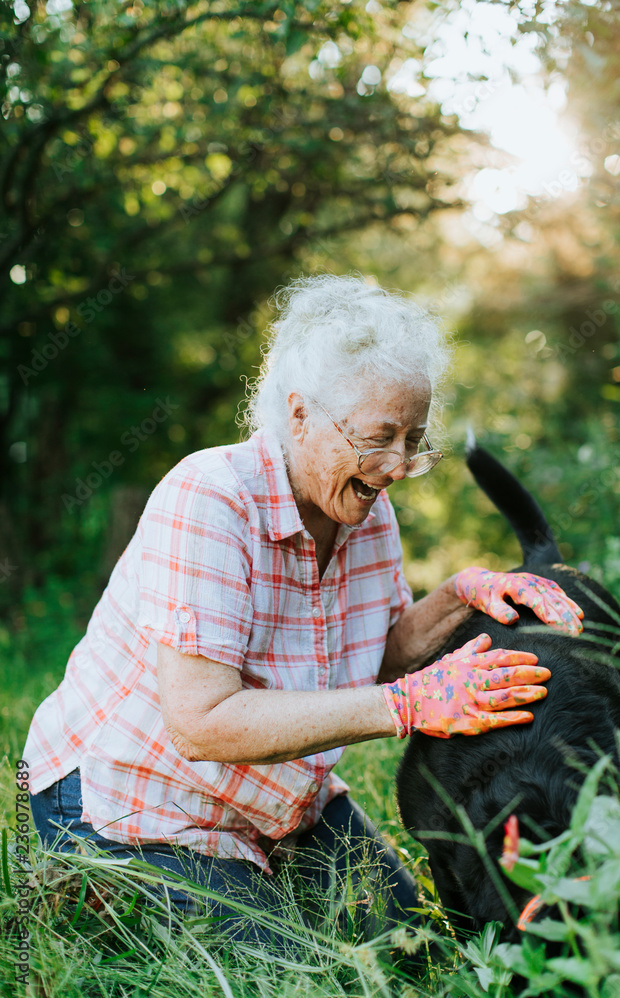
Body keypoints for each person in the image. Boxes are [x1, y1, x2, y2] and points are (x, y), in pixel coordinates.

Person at [25, 274, 583, 962]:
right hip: (127, 800)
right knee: (293, 972)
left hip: (278, 798)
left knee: (418, 959)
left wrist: (457, 596)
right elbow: (201, 723)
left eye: (413, 438)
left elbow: (370, 659)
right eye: (379, 437)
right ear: (298, 416)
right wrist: (407, 705)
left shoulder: (366, 509)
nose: (399, 466)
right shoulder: (211, 500)